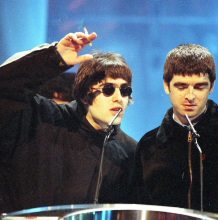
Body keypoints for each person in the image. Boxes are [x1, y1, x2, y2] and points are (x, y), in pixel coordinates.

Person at [0, 31, 137, 213]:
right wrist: (53, 58)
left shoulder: (125, 155)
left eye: (125, 90)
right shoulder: (43, 118)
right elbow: (6, 89)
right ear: (84, 96)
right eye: (108, 89)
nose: (119, 98)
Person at [135, 44, 218, 213]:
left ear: (211, 87)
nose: (190, 96)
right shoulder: (148, 145)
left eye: (199, 86)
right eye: (181, 86)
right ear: (166, 86)